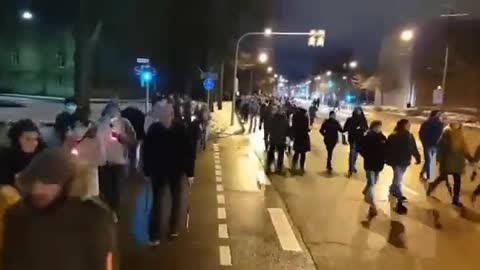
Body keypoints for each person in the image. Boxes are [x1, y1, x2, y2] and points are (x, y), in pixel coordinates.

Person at [2, 148, 117, 270]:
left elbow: (101, 263)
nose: (38, 189)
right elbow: (11, 260)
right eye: (34, 180)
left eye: (49, 182)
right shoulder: (17, 215)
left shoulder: (93, 218)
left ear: (67, 182)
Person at [143, 100, 194, 245]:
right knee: (157, 202)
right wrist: (147, 171)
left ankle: (173, 229)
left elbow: (188, 152)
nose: (164, 119)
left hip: (175, 171)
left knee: (176, 200)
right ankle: (155, 234)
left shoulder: (180, 129)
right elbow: (147, 152)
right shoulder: (154, 129)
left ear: (172, 115)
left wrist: (190, 173)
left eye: (166, 115)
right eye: (161, 116)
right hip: (158, 171)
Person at [99, 102, 137, 212]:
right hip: (105, 162)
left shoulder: (125, 123)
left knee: (118, 190)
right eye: (109, 114)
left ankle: (114, 211)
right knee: (107, 190)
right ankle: (109, 211)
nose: (111, 118)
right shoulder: (100, 123)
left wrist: (121, 137)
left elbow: (133, 141)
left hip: (121, 163)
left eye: (114, 114)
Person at [427, 122, 472, 207]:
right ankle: (432, 186)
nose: (456, 125)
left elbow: (464, 147)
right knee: (443, 177)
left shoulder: (460, 133)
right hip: (447, 160)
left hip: (457, 161)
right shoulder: (446, 132)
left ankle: (455, 200)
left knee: (457, 181)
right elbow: (440, 147)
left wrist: (469, 157)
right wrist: (438, 159)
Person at [386, 119, 421, 214]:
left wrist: (418, 157)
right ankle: (399, 200)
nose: (409, 126)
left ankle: (392, 190)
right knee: (398, 180)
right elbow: (387, 148)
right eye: (408, 125)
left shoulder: (409, 136)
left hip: (403, 162)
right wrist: (417, 157)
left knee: (397, 178)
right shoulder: (394, 136)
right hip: (397, 162)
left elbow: (413, 148)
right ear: (403, 125)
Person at [0, 119, 45, 187]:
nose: (33, 143)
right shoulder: (6, 156)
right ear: (17, 139)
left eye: (35, 139)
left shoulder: (41, 152)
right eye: (27, 139)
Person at [358, 121, 387, 216]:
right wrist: (367, 156)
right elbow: (360, 148)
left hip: (378, 165)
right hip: (369, 165)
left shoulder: (382, 138)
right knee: (372, 184)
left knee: (374, 182)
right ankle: (372, 205)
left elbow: (386, 150)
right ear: (373, 127)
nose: (379, 128)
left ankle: (366, 191)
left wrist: (385, 159)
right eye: (377, 127)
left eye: (380, 126)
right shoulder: (367, 137)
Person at [419, 110, 444, 181]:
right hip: (434, 145)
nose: (440, 116)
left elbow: (421, 134)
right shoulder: (440, 124)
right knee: (431, 161)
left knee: (429, 160)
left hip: (429, 144)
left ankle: (424, 173)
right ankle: (429, 176)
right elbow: (441, 135)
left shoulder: (426, 123)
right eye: (439, 115)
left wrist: (424, 142)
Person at [343, 106, 368, 177]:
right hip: (353, 140)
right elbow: (345, 129)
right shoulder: (350, 120)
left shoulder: (363, 120)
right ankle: (350, 169)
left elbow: (366, 129)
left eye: (359, 110)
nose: (358, 112)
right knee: (352, 154)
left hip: (361, 140)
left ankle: (353, 166)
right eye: (356, 111)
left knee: (356, 154)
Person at [266, 106, 289, 175]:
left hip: (273, 139)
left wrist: (268, 135)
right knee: (280, 154)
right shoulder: (285, 120)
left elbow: (269, 128)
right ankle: (279, 168)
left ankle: (268, 166)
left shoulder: (272, 118)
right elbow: (287, 129)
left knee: (271, 152)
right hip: (281, 140)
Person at [291, 107, 311, 175]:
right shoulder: (305, 117)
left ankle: (293, 166)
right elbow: (307, 128)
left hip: (297, 137)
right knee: (303, 154)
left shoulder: (295, 116)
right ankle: (301, 168)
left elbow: (293, 126)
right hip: (303, 137)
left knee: (296, 152)